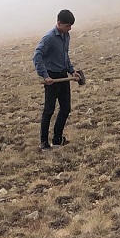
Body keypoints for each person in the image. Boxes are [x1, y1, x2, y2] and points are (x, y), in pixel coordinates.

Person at [32, 9, 82, 151]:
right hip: (52, 78)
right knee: (49, 110)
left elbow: (65, 57)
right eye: (67, 26)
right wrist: (45, 75)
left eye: (71, 26)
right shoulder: (49, 38)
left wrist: (72, 71)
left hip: (64, 76)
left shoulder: (66, 36)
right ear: (59, 23)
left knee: (65, 109)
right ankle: (44, 143)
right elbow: (37, 57)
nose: (70, 28)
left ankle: (57, 139)